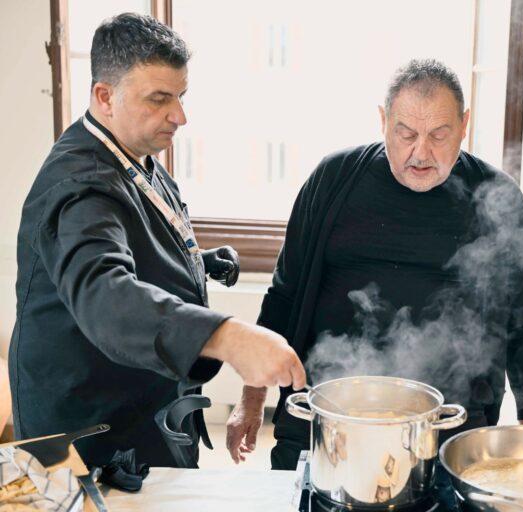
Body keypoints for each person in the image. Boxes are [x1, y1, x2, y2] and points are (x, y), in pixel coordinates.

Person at [9, 13, 305, 468]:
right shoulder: (79, 185)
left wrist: (198, 263)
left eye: (181, 96)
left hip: (145, 401)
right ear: (105, 97)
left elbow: (137, 242)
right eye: (160, 99)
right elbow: (105, 294)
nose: (180, 116)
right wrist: (227, 336)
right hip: (92, 429)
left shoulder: (132, 152)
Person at [226, 59, 523, 471]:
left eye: (439, 135)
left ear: (465, 125)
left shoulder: (496, 198)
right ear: (383, 121)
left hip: (450, 426)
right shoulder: (334, 179)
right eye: (406, 133)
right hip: (325, 418)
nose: (422, 152)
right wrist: (251, 401)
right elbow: (284, 297)